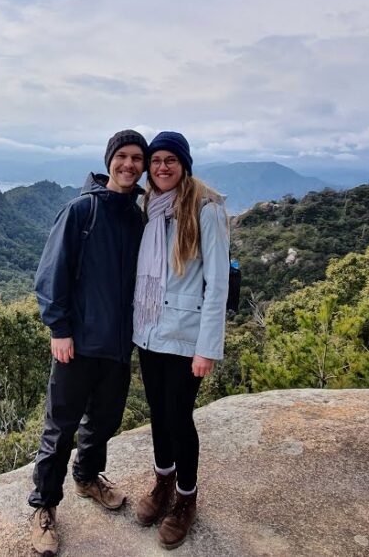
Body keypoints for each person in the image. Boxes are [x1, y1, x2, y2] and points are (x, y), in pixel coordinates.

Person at [28, 129, 148, 557]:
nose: (129, 165)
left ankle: (86, 477)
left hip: (118, 344)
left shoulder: (138, 218)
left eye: (137, 158)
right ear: (109, 160)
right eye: (122, 156)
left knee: (105, 420)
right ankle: (44, 507)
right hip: (77, 343)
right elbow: (51, 274)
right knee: (60, 428)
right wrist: (59, 330)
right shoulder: (82, 210)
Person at [131, 131, 228, 550]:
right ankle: (163, 482)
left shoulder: (206, 209)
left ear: (184, 165)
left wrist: (207, 348)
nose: (162, 167)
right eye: (156, 161)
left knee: (178, 417)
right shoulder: (148, 206)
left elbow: (218, 283)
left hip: (186, 336)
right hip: (149, 331)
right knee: (158, 412)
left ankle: (186, 497)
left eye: (170, 160)